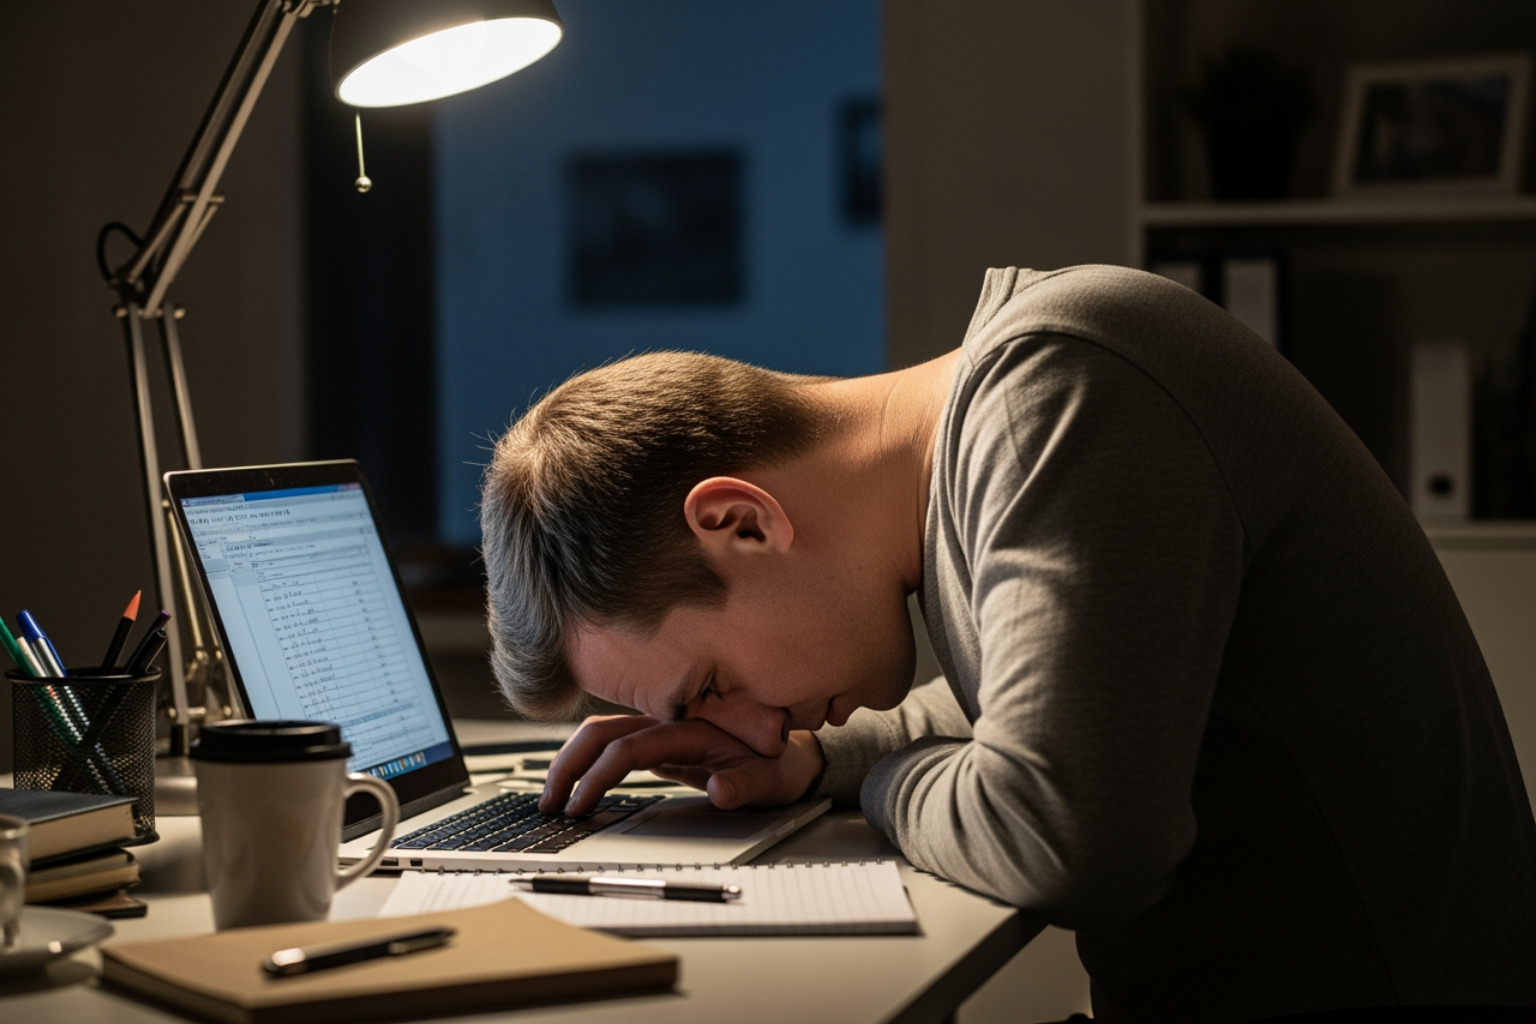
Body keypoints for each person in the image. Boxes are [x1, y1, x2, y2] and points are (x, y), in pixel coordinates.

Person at [479, 264, 1536, 1022]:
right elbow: (1020, 713)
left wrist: (882, 777)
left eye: (708, 685)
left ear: (742, 522)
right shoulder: (990, 445)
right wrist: (812, 763)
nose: (743, 725)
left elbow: (1068, 835)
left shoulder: (1061, 390)